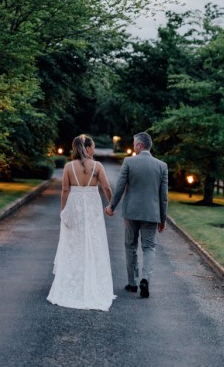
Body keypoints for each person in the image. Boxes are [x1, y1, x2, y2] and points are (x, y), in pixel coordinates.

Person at [47, 134, 116, 311]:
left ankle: (73, 282)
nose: (93, 149)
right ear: (87, 148)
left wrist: (64, 211)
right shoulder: (97, 166)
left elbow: (64, 190)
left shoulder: (69, 167)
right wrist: (111, 204)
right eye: (92, 146)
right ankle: (93, 282)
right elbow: (106, 187)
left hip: (75, 206)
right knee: (93, 242)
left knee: (74, 243)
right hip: (92, 207)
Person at [105, 132, 168, 299]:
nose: (133, 147)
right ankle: (145, 279)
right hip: (151, 213)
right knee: (149, 247)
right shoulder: (162, 166)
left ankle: (132, 283)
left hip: (131, 212)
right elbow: (163, 197)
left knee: (130, 245)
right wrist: (163, 219)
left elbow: (119, 187)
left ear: (139, 146)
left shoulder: (129, 162)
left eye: (134, 144)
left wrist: (112, 205)